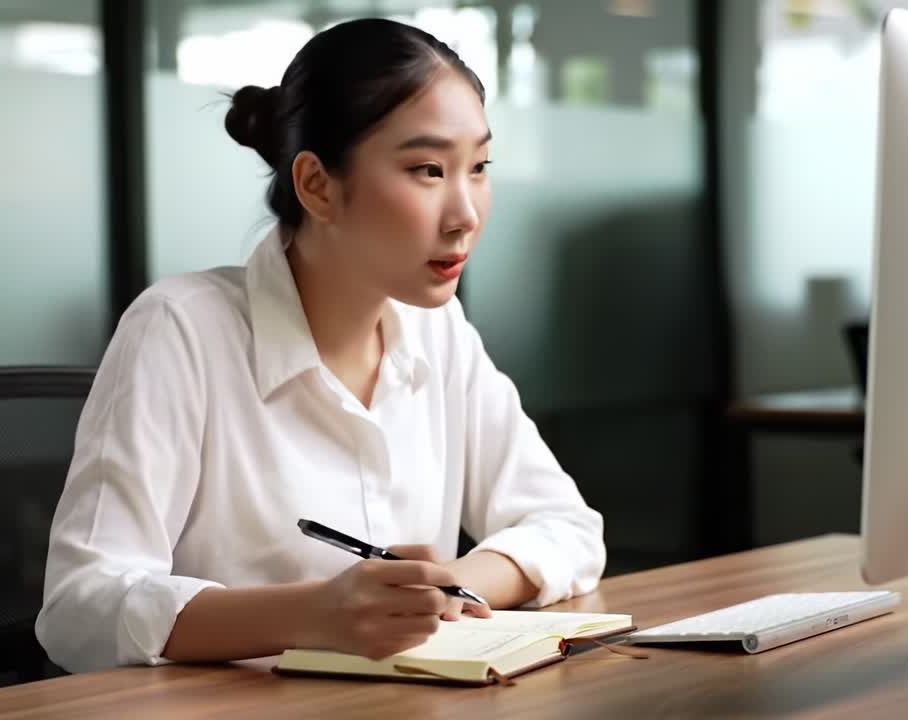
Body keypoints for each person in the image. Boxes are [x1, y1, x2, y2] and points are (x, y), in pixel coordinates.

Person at [35, 17, 606, 674]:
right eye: (428, 170)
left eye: (477, 167)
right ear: (317, 186)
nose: (467, 213)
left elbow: (568, 527)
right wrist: (311, 616)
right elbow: (80, 607)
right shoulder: (181, 330)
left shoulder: (437, 333)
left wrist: (451, 583)